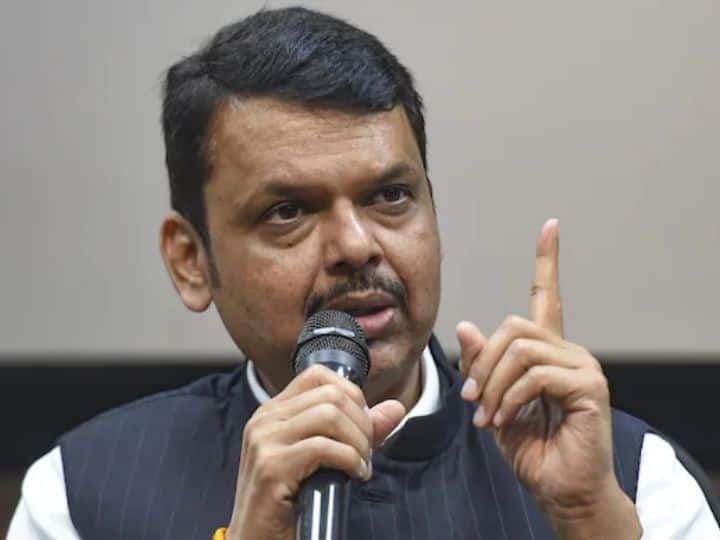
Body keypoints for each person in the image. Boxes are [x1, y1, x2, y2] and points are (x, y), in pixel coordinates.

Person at [8, 6, 720, 539]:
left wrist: (591, 519)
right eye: (288, 211)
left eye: (390, 196)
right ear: (191, 261)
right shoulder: (84, 494)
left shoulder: (630, 477)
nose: (355, 245)